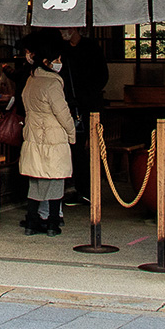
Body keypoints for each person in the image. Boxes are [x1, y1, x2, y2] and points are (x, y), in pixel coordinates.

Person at [18, 33, 75, 236]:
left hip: (33, 137)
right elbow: (63, 113)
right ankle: (52, 223)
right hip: (54, 139)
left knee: (36, 182)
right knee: (55, 181)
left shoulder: (30, 81)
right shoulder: (53, 84)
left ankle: (32, 222)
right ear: (46, 61)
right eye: (56, 59)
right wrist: (72, 133)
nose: (59, 62)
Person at [62, 27, 107, 202]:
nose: (62, 32)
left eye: (65, 29)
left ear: (74, 29)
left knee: (90, 146)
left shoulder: (91, 47)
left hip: (90, 104)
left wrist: (88, 94)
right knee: (74, 148)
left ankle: (89, 190)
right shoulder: (64, 50)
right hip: (70, 105)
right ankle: (74, 188)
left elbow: (102, 76)